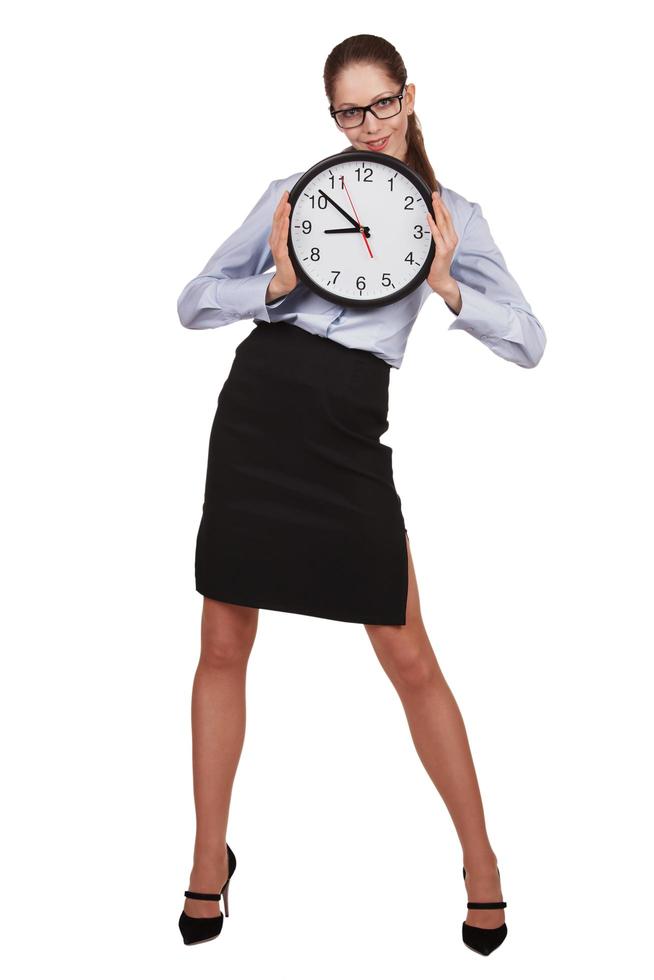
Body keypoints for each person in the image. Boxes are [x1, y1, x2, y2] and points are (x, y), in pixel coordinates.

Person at [176, 34, 546, 954]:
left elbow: (531, 343)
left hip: (346, 427)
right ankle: (205, 859)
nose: (368, 126)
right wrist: (278, 280)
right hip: (259, 414)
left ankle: (484, 863)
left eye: (382, 104)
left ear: (410, 98)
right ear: (330, 116)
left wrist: (450, 283)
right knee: (223, 641)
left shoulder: (453, 215)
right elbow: (192, 302)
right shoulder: (292, 197)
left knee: (408, 654)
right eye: (348, 110)